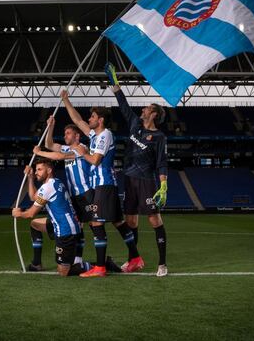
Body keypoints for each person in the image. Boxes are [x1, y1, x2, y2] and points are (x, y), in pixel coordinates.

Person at [60, 90, 144, 277]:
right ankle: (136, 258)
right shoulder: (95, 136)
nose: (89, 119)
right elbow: (78, 121)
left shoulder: (105, 135)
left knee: (96, 223)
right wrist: (66, 100)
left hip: (103, 184)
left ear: (101, 120)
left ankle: (100, 267)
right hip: (106, 184)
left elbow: (95, 160)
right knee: (118, 222)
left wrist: (82, 153)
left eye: (92, 116)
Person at [104, 62, 168, 277]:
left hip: (147, 181)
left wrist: (164, 185)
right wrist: (115, 83)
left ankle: (162, 264)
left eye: (147, 109)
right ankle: (134, 260)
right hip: (129, 179)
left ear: (154, 115)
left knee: (154, 220)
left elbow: (161, 162)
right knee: (131, 221)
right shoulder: (134, 125)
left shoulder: (159, 137)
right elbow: (123, 104)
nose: (143, 109)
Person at [12, 158, 89, 276]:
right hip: (63, 224)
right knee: (35, 225)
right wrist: (30, 178)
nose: (36, 172)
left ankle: (98, 265)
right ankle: (37, 264)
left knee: (63, 272)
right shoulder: (55, 182)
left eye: (39, 169)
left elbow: (31, 213)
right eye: (36, 169)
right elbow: (33, 197)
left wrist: (19, 213)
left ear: (49, 170)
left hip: (65, 230)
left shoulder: (47, 187)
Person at [33, 116, 94, 263]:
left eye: (68, 133)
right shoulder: (67, 148)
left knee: (94, 226)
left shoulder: (81, 148)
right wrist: (51, 126)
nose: (65, 135)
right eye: (65, 133)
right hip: (74, 195)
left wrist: (39, 153)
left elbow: (59, 156)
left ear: (77, 136)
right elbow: (49, 144)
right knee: (78, 226)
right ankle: (78, 260)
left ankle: (100, 262)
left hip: (86, 192)